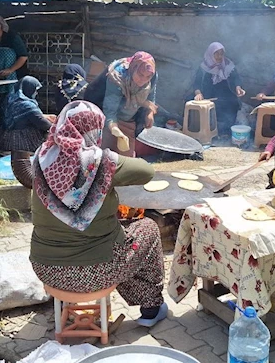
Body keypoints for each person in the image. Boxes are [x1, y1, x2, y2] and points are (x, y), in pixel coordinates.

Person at [10, 101, 168, 327]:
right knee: (146, 230)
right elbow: (147, 171)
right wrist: (115, 158)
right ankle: (151, 309)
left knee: (118, 245)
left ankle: (66, 301)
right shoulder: (102, 162)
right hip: (98, 272)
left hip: (47, 270)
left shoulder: (40, 159)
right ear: (94, 129)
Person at [84, 52, 158, 157]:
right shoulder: (117, 78)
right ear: (133, 68)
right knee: (106, 156)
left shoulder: (152, 74)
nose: (143, 80)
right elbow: (110, 110)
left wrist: (149, 113)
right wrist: (115, 129)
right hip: (105, 115)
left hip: (129, 118)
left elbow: (150, 96)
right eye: (140, 75)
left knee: (126, 157)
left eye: (147, 77)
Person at [190, 42, 246, 136]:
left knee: (233, 104)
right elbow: (197, 83)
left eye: (221, 53)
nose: (220, 56)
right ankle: (212, 133)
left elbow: (236, 78)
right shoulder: (203, 67)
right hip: (209, 97)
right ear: (211, 54)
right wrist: (198, 93)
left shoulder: (228, 65)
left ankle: (226, 132)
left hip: (227, 97)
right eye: (217, 53)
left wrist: (238, 87)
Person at [0, 76, 55, 154]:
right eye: (35, 90)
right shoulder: (27, 105)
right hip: (19, 140)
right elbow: (43, 124)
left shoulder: (11, 98)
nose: (36, 93)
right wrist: (56, 127)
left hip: (3, 138)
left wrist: (46, 116)